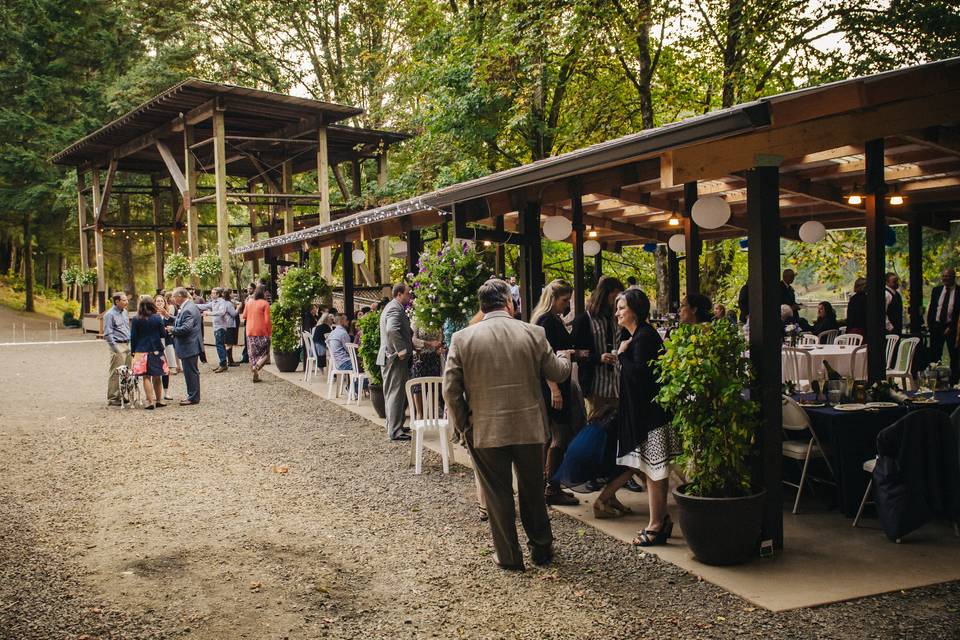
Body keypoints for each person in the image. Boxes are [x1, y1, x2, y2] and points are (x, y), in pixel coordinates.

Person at [443, 278, 571, 570]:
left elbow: (450, 390)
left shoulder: (462, 338)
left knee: (498, 495)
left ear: (481, 306)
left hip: (485, 429)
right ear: (509, 303)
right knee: (532, 491)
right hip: (529, 428)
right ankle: (541, 550)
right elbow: (558, 373)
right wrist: (566, 358)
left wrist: (464, 424)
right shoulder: (533, 332)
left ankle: (509, 557)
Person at [594, 288, 678, 546]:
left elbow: (641, 377)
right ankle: (659, 521)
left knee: (655, 471)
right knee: (654, 470)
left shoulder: (643, 337)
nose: (617, 312)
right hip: (645, 415)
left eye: (621, 307)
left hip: (651, 417)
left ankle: (655, 525)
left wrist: (620, 355)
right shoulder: (636, 336)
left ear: (635, 309)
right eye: (616, 307)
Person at [530, 279, 581, 507]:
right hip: (553, 386)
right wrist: (554, 388)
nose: (566, 305)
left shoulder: (550, 320)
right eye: (564, 301)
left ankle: (548, 484)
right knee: (558, 435)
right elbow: (544, 358)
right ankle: (550, 486)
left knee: (554, 435)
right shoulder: (546, 322)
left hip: (559, 382)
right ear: (553, 299)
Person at [572, 276, 624, 417]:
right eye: (615, 297)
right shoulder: (584, 320)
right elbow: (576, 353)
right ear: (605, 295)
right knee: (596, 428)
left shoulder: (618, 319)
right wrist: (598, 358)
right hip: (596, 386)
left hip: (618, 384)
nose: (618, 301)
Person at [378, 283, 415, 441]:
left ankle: (395, 425)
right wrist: (401, 350)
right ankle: (395, 431)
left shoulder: (391, 307)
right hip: (394, 358)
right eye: (408, 294)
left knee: (393, 392)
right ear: (399, 294)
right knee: (396, 393)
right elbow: (392, 330)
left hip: (389, 357)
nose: (410, 297)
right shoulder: (395, 308)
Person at [130, 296, 168, 410]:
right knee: (157, 376)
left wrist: (133, 351)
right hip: (156, 349)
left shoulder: (136, 319)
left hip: (141, 350)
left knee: (146, 377)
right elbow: (163, 334)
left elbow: (133, 337)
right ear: (152, 305)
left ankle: (150, 401)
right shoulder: (157, 318)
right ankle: (159, 400)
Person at [167, 287, 203, 405]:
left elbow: (186, 328)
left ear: (179, 297)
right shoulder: (189, 306)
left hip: (189, 345)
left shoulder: (188, 309)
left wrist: (173, 329)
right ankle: (193, 395)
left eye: (173, 296)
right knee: (191, 371)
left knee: (190, 372)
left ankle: (193, 397)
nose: (172, 298)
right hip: (191, 344)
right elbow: (181, 320)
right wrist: (169, 316)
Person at [927, 268, 959, 382]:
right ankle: (935, 381)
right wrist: (930, 325)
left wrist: (952, 327)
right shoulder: (937, 290)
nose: (945, 278)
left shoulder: (958, 291)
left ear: (953, 277)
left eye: (948, 276)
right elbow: (932, 309)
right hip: (936, 327)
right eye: (943, 276)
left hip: (952, 328)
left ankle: (954, 383)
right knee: (934, 356)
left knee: (955, 356)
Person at [197, 288, 238, 373]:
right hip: (216, 327)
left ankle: (223, 365)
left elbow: (222, 312)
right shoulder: (213, 302)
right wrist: (192, 304)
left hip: (221, 327)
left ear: (218, 294)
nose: (211, 295)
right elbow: (203, 306)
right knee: (219, 345)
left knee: (220, 345)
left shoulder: (222, 302)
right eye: (211, 293)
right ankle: (222, 364)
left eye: (213, 293)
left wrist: (209, 313)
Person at [104, 292, 131, 407]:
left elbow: (126, 328)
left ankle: (122, 395)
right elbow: (108, 333)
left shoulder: (125, 312)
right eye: (124, 300)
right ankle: (113, 397)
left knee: (126, 372)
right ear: (117, 301)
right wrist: (115, 348)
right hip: (118, 346)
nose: (127, 302)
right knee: (116, 372)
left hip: (127, 344)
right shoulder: (109, 315)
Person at [241, 284, 272, 383]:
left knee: (252, 354)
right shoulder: (265, 303)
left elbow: (244, 316)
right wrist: (269, 332)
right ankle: (257, 366)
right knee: (265, 354)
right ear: (263, 293)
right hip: (262, 331)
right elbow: (267, 320)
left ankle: (256, 374)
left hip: (250, 331)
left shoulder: (249, 302)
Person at [154, 294, 175, 399]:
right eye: (157, 301)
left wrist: (166, 315)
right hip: (156, 344)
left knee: (166, 369)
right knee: (156, 368)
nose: (159, 303)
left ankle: (166, 392)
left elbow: (174, 324)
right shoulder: (151, 315)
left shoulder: (167, 315)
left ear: (164, 303)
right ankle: (156, 393)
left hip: (167, 343)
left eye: (161, 301)